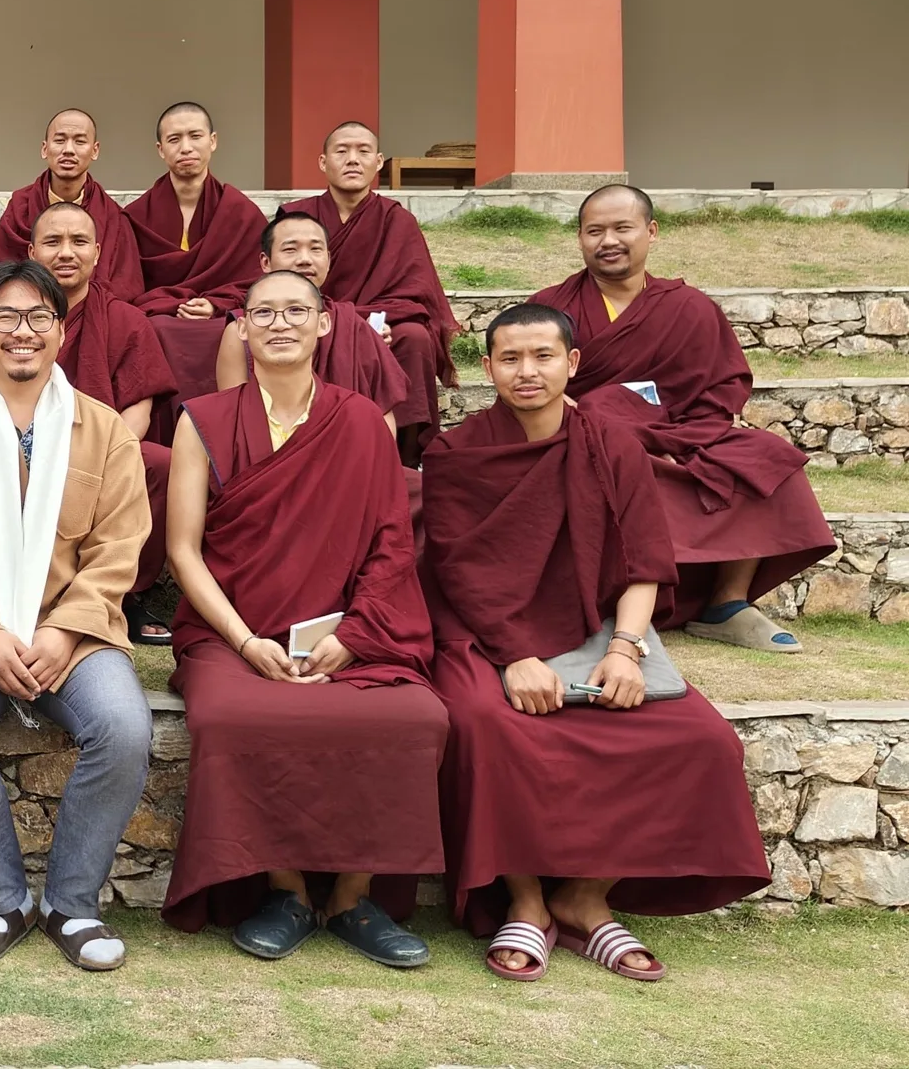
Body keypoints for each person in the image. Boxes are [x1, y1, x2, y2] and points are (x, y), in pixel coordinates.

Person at [423, 304, 770, 982]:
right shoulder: (456, 453)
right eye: (511, 359)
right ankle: (526, 899)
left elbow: (644, 558)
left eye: (543, 356)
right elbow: (460, 571)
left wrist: (625, 649)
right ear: (487, 368)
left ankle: (584, 897)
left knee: (702, 739)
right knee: (486, 723)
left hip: (596, 627)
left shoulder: (612, 445)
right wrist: (516, 657)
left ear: (572, 363)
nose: (527, 372)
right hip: (484, 632)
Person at [163, 270, 447, 969]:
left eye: (296, 310)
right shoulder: (203, 419)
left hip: (347, 631)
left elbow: (390, 543)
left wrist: (352, 636)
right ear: (242, 328)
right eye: (264, 312)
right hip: (233, 631)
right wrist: (244, 642)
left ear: (325, 323)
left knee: (416, 718)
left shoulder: (361, 420)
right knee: (231, 717)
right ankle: (286, 891)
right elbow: (182, 550)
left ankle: (353, 896)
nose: (280, 323)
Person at [0, 260, 154, 973]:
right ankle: (3, 901)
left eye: (39, 317)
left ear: (61, 333)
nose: (23, 331)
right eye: (6, 317)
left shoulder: (104, 431)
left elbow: (118, 548)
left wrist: (65, 630)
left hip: (75, 633)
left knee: (125, 727)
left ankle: (72, 904)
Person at [529, 185, 835, 651]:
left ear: (651, 232)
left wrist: (678, 437)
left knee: (766, 457)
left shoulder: (689, 308)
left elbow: (722, 387)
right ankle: (606, 606)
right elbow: (531, 382)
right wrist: (586, 417)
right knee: (603, 455)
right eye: (594, 231)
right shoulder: (550, 308)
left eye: (622, 228)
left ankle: (726, 603)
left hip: (680, 431)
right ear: (580, 238)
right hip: (588, 435)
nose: (608, 240)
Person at [29, 202, 178, 645]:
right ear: (32, 252)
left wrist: (98, 457)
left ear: (97, 252)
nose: (66, 252)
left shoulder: (125, 319)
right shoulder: (13, 318)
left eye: (78, 242)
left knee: (160, 465)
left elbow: (139, 409)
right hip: (23, 447)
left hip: (102, 450)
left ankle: (125, 594)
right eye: (53, 242)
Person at [280, 122, 457, 463]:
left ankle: (404, 459)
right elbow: (279, 278)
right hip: (312, 317)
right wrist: (348, 324)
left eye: (363, 152)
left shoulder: (397, 220)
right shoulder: (296, 216)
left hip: (382, 322)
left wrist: (373, 322)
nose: (352, 159)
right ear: (323, 162)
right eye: (341, 151)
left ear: (378, 162)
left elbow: (415, 292)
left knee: (414, 338)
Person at [124, 102, 269, 404]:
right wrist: (171, 304)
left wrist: (215, 304)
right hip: (161, 318)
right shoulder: (135, 216)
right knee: (153, 329)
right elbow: (128, 285)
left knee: (237, 330)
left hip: (222, 316)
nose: (186, 147)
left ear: (212, 141)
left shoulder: (241, 213)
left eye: (195, 136)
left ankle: (230, 420)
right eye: (174, 139)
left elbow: (258, 282)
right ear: (161, 149)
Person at [215, 210, 410, 433]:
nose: (305, 259)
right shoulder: (242, 329)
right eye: (290, 249)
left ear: (328, 260)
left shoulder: (352, 326)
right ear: (266, 262)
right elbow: (232, 416)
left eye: (315, 249)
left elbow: (382, 415)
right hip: (266, 449)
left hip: (348, 448)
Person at [0, 109, 144, 299]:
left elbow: (126, 285)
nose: (69, 150)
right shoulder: (20, 207)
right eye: (60, 140)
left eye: (80, 141)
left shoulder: (113, 216)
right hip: (31, 311)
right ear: (45, 149)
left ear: (95, 150)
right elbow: (1, 278)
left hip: (95, 311)